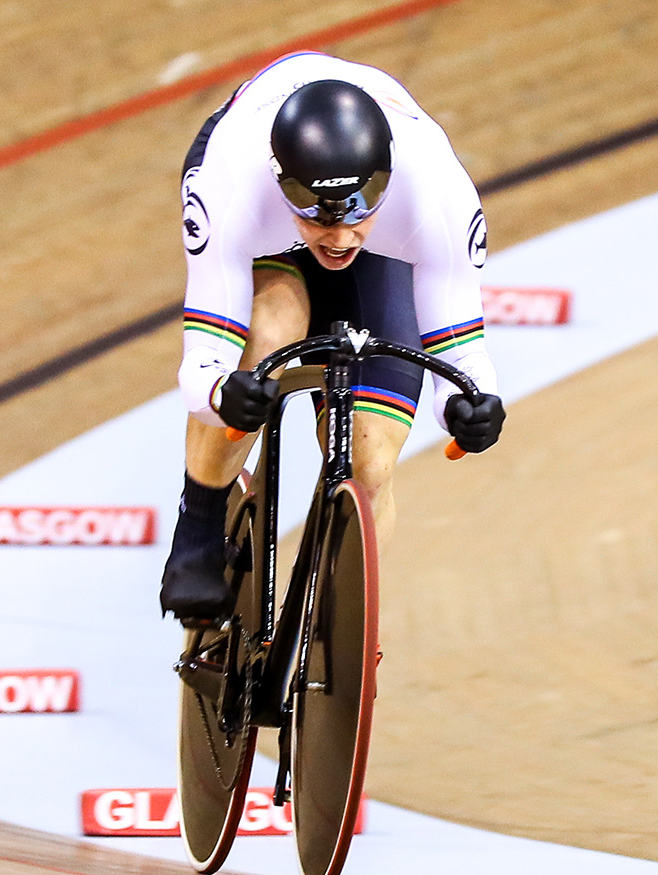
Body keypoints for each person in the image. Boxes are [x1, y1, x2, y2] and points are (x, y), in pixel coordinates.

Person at [160, 53, 505, 619]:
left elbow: (460, 346)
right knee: (271, 330)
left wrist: (470, 407)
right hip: (267, 237)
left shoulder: (435, 192)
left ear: (386, 181)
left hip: (374, 241)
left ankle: (332, 627)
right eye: (318, 217)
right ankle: (196, 529)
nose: (341, 237)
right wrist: (225, 393)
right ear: (282, 183)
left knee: (371, 463)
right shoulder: (231, 181)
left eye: (356, 213)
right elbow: (205, 358)